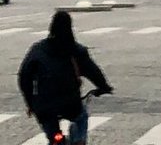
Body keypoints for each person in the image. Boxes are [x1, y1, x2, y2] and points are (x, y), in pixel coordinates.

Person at [18, 11, 113, 144]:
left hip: (44, 106)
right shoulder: (76, 50)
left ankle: (57, 140)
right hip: (70, 103)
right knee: (81, 116)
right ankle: (79, 140)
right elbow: (92, 71)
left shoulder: (37, 50)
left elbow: (24, 78)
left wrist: (30, 102)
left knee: (54, 136)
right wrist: (104, 87)